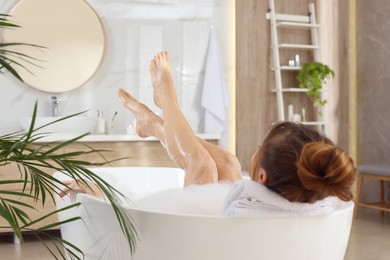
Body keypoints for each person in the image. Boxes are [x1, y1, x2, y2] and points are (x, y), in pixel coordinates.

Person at [61, 51, 356, 205]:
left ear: (262, 176)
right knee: (228, 161)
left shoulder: (247, 206)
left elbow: (143, 209)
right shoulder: (302, 195)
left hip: (189, 241)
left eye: (258, 150)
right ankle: (152, 122)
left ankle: (166, 100)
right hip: (215, 228)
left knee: (200, 162)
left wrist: (95, 190)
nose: (253, 153)